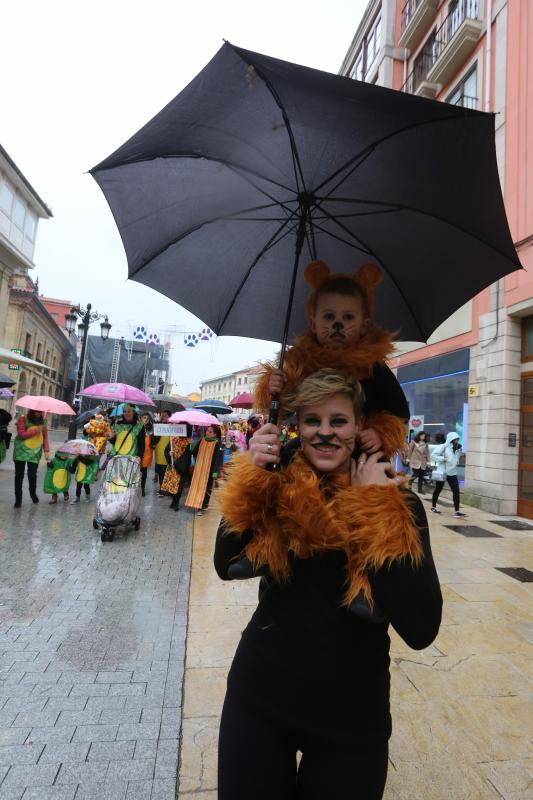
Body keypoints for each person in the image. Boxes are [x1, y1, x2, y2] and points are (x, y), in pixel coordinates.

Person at [215, 369, 442, 799]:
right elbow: (225, 563)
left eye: (338, 421)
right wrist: (252, 475)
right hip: (260, 699)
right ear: (296, 426)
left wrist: (373, 507)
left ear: (359, 427)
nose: (324, 433)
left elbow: (421, 627)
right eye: (312, 421)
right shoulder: (275, 483)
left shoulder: (398, 502)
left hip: (351, 718)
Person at [255, 260, 410, 458]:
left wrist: (380, 433)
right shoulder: (302, 364)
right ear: (313, 323)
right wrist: (275, 389)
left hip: (359, 459)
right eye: (329, 316)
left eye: (348, 317)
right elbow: (282, 412)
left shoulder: (373, 367)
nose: (338, 324)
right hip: (310, 455)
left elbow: (399, 412)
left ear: (364, 325)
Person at [13, 409, 50, 508]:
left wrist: (46, 450)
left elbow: (45, 437)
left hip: (35, 451)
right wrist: (38, 429)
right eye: (37, 412)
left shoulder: (43, 421)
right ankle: (18, 499)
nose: (39, 413)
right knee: (19, 476)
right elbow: (22, 435)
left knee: (32, 474)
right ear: (32, 411)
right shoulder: (23, 419)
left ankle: (32, 493)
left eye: (40, 412)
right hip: (21, 451)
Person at [185, 425, 224, 515]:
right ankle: (197, 505)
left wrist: (215, 474)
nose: (207, 433)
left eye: (210, 432)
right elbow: (194, 452)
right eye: (207, 431)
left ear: (215, 434)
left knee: (207, 489)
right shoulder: (202, 441)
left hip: (210, 471)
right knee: (198, 487)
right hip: (199, 469)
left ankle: (202, 507)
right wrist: (191, 444)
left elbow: (218, 460)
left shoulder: (218, 444)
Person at [431, 431, 466, 518]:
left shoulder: (458, 448)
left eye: (458, 439)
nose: (457, 441)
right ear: (451, 439)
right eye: (455, 439)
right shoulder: (443, 447)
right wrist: (443, 458)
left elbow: (456, 459)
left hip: (452, 472)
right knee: (438, 489)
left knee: (456, 491)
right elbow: (433, 456)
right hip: (443, 472)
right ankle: (433, 507)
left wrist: (458, 456)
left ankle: (457, 511)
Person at [162, 424, 193, 511]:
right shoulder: (174, 438)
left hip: (181, 467)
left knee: (179, 487)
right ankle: (173, 501)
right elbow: (167, 449)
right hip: (172, 466)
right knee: (172, 486)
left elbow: (187, 455)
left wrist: (179, 464)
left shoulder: (189, 442)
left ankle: (176, 502)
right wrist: (169, 454)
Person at [152, 409, 171, 496]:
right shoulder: (157, 426)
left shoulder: (172, 427)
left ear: (170, 417)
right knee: (160, 471)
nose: (163, 417)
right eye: (162, 416)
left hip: (167, 453)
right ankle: (162, 489)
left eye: (165, 416)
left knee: (165, 471)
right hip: (158, 452)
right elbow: (153, 440)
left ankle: (164, 490)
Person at [139, 412, 154, 496]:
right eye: (144, 418)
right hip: (138, 452)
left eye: (147, 418)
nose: (146, 419)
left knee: (144, 472)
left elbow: (154, 439)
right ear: (141, 419)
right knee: (137, 471)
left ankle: (142, 488)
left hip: (147, 453)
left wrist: (153, 444)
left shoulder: (151, 429)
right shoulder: (137, 428)